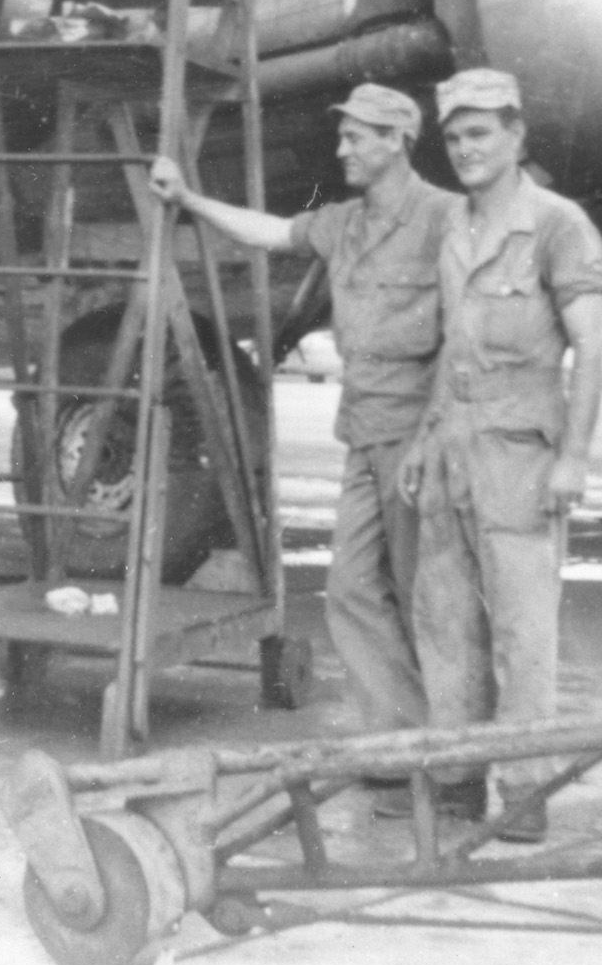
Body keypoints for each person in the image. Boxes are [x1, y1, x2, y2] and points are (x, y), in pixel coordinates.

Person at [151, 83, 460, 806]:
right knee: (352, 586)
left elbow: (464, 334)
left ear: (394, 141)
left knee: (431, 600)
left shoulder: (446, 218)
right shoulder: (345, 222)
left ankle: (455, 765)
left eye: (356, 137)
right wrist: (190, 200)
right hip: (362, 432)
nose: (343, 148)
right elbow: (269, 231)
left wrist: (436, 434)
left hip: (422, 436)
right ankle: (396, 741)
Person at [401, 68, 602, 841]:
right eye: (454, 136)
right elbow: (450, 348)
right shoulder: (455, 227)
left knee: (524, 635)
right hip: (453, 449)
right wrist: (426, 437)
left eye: (481, 132)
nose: (465, 148)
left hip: (522, 454)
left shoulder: (559, 225)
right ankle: (457, 780)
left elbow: (590, 351)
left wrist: (576, 458)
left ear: (517, 134)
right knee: (447, 622)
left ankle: (523, 795)